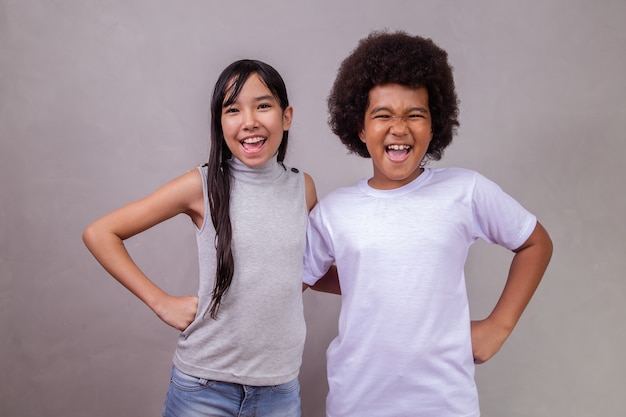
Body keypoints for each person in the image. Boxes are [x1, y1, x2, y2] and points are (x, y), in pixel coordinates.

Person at [303, 31, 553, 417]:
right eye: (382, 115)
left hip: (445, 403)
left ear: (435, 125)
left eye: (414, 115)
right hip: (357, 402)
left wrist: (498, 327)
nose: (399, 128)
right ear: (360, 128)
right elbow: (296, 275)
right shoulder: (335, 211)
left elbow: (535, 243)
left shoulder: (464, 191)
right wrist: (364, 278)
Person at [83, 59, 317, 417]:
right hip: (203, 389)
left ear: (287, 117)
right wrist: (161, 302)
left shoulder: (303, 188)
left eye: (263, 105)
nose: (249, 121)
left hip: (279, 391)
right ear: (220, 123)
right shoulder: (202, 186)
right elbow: (100, 233)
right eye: (233, 109)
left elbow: (298, 271)